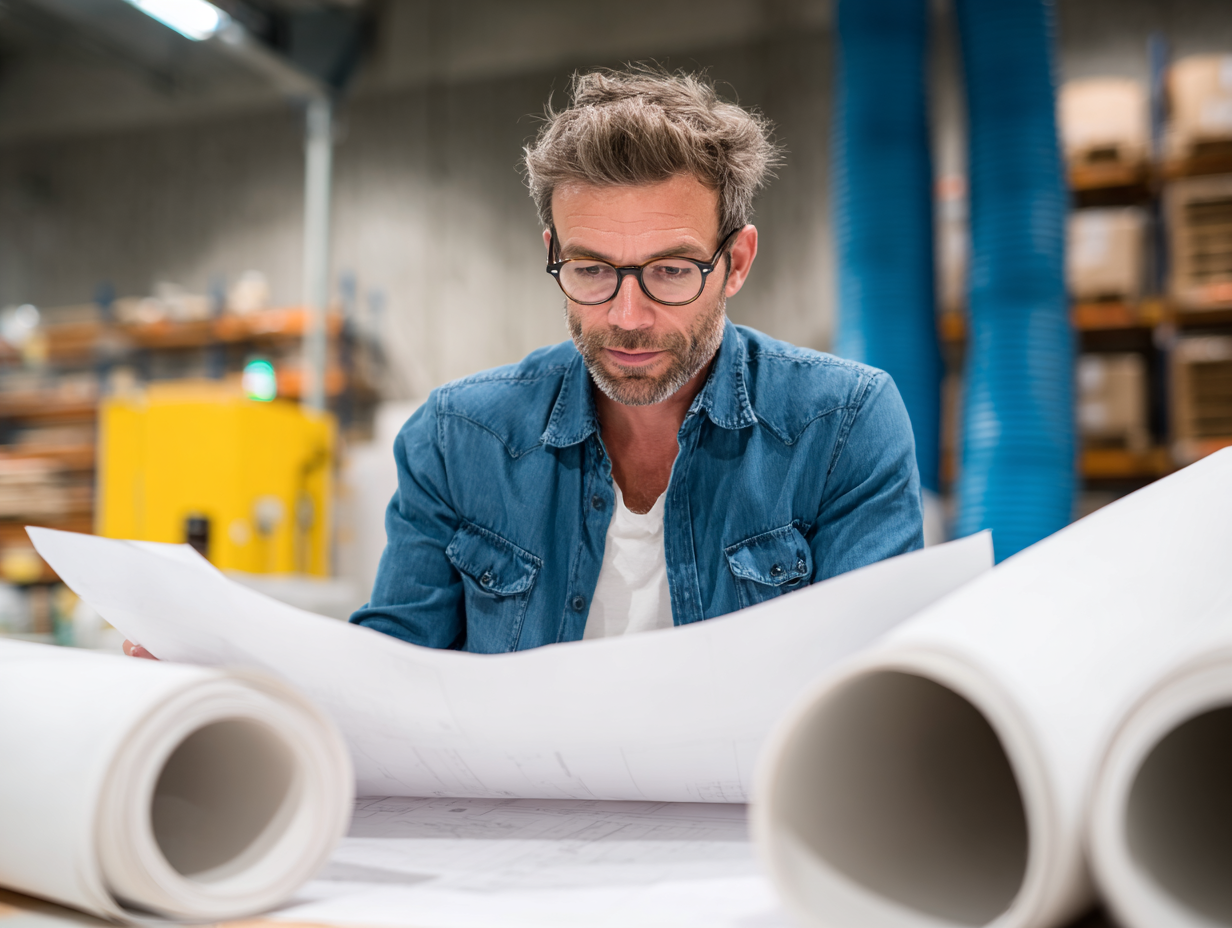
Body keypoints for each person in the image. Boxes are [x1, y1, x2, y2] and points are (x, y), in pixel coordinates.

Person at [126, 66, 922, 662]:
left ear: (737, 261)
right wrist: (235, 666)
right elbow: (395, 671)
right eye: (591, 269)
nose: (628, 315)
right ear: (552, 253)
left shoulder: (841, 424)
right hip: (523, 845)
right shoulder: (458, 437)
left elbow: (870, 693)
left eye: (673, 271)